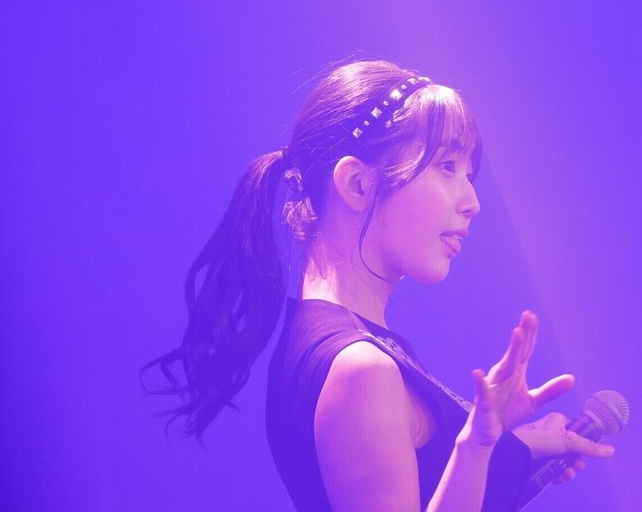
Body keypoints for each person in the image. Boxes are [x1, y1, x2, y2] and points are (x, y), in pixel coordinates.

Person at [145, 59, 614, 511]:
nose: (472, 201)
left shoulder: (328, 340)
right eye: (447, 166)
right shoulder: (361, 369)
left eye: (469, 174)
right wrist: (474, 445)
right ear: (357, 184)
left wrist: (496, 444)